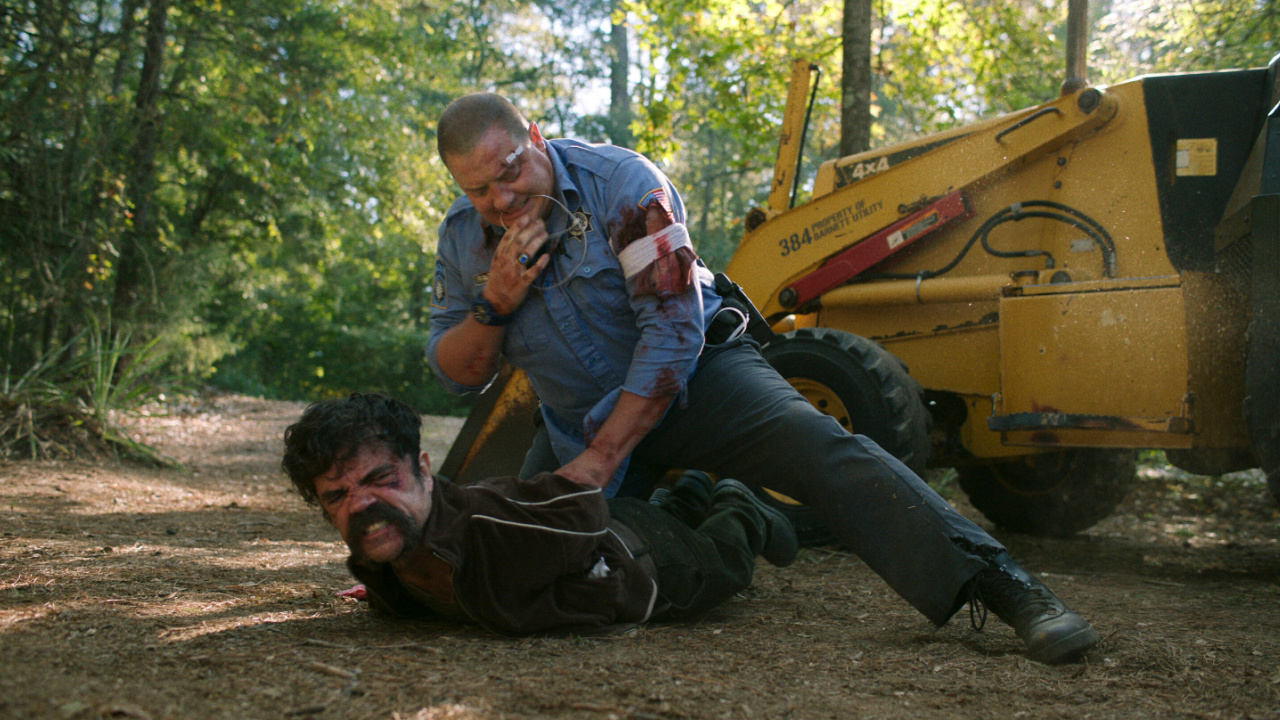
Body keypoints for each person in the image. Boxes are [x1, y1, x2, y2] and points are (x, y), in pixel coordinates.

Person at [424, 93, 1100, 663]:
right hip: (579, 424)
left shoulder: (623, 186)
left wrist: (604, 460)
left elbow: (673, 331)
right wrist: (495, 304)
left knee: (816, 445)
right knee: (549, 568)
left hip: (699, 381)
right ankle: (729, 515)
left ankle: (1007, 588)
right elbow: (456, 375)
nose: (502, 197)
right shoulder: (462, 240)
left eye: (511, 170)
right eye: (478, 189)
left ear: (535, 137)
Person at [280, 392, 800, 635]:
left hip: (649, 564)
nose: (362, 505)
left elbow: (580, 508)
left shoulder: (488, 523)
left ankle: (737, 502)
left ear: (422, 469)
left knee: (726, 560)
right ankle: (687, 490)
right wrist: (384, 590)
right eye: (338, 496)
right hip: (632, 527)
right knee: (669, 509)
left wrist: (564, 566)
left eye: (380, 480)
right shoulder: (385, 558)